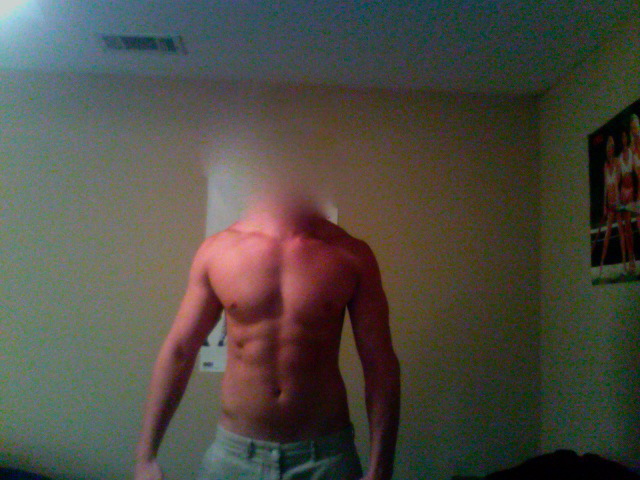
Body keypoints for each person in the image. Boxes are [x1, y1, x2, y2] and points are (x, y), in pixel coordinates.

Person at [134, 185, 401, 480]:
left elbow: (380, 364)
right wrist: (146, 457)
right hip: (234, 457)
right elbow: (179, 350)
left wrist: (381, 468)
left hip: (325, 457)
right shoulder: (217, 251)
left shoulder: (352, 255)